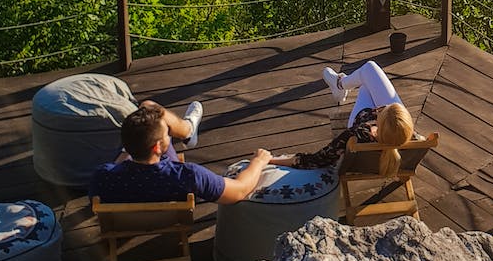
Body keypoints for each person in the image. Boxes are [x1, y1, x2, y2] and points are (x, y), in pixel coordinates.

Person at [89, 99, 271, 205]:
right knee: (149, 105)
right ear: (158, 147)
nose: (168, 136)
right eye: (166, 134)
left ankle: (188, 130)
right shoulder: (188, 176)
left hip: (125, 221)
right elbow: (239, 191)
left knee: (148, 107)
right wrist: (258, 162)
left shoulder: (103, 176)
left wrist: (133, 144)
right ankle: (188, 130)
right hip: (170, 216)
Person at [268, 61, 414, 177]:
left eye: (381, 111)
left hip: (363, 124)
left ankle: (340, 84)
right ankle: (340, 84)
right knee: (367, 81)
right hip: (391, 129)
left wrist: (270, 159)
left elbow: (316, 160)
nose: (379, 108)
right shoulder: (410, 137)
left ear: (379, 122)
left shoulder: (356, 135)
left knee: (367, 75)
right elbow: (394, 123)